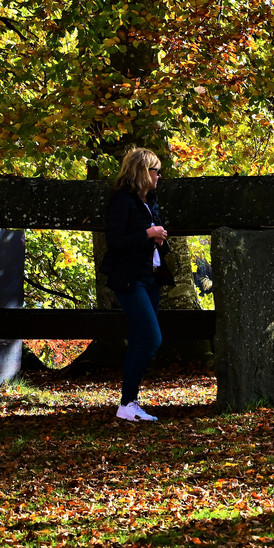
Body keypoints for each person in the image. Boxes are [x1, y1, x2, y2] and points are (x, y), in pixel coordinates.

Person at [104, 147, 173, 421]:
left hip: (150, 276)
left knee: (138, 339)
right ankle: (127, 402)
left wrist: (158, 238)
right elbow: (115, 241)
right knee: (151, 338)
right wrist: (147, 233)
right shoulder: (122, 201)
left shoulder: (150, 201)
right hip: (130, 279)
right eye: (156, 170)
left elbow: (152, 239)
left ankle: (128, 403)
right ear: (143, 172)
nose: (159, 176)